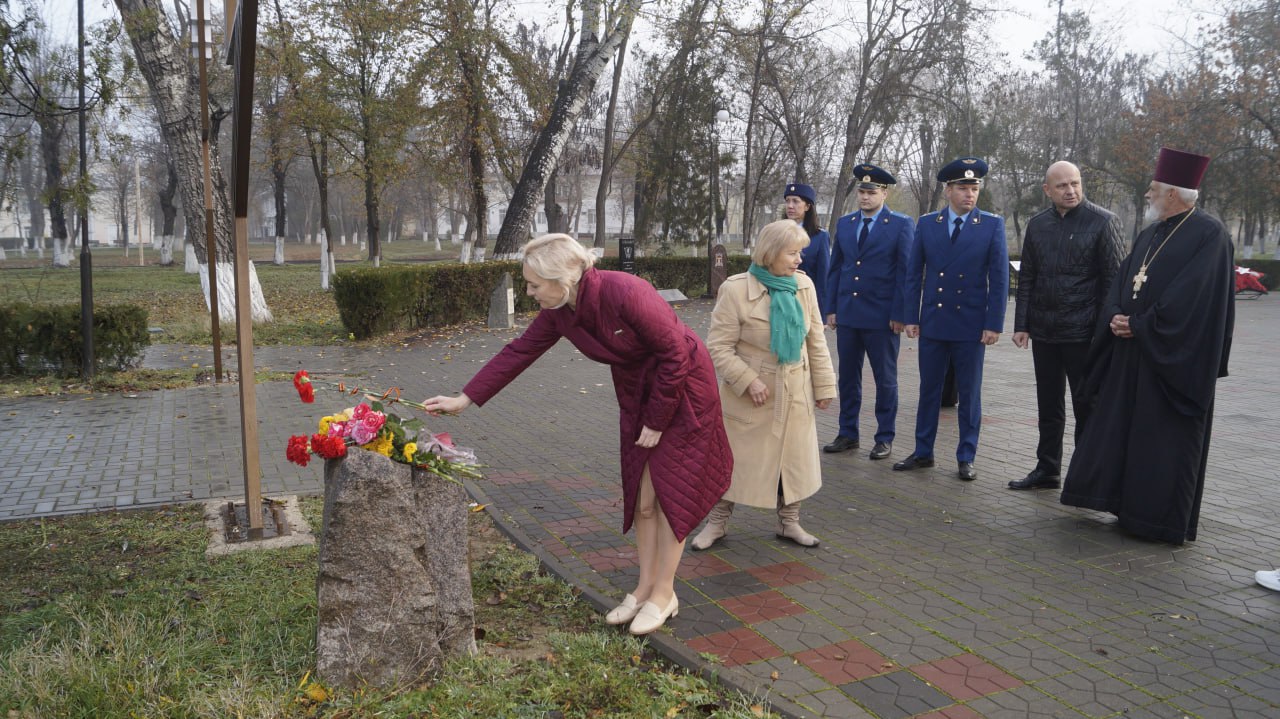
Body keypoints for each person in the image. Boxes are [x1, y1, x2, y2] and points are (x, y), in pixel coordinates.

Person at [422, 234, 732, 634]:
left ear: (562, 278)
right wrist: (464, 398)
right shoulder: (560, 310)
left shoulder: (627, 291)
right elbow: (519, 351)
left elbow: (675, 354)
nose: (529, 292)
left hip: (683, 390)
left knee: (669, 490)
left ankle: (664, 594)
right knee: (641, 497)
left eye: (534, 285)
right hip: (637, 392)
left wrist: (656, 421)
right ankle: (643, 589)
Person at [1060, 147, 1234, 545]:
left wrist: (1140, 325)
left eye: (1153, 189)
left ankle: (1156, 520)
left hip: (1172, 364)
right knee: (1125, 434)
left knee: (1161, 442)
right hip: (1132, 355)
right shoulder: (1152, 232)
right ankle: (1123, 505)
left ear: (1173, 194)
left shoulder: (1210, 236)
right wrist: (1117, 315)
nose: (1147, 195)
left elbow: (1195, 301)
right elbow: (1123, 281)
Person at [693, 220, 837, 550]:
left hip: (795, 391)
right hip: (750, 398)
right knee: (734, 463)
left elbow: (816, 341)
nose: (799, 259)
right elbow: (718, 346)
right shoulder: (735, 288)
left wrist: (825, 387)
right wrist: (747, 380)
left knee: (793, 462)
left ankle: (790, 523)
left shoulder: (804, 286)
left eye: (801, 252)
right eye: (792, 253)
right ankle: (716, 524)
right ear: (770, 253)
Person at [1008, 161, 1124, 490]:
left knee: (1087, 406)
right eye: (1062, 186)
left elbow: (1114, 283)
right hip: (1045, 332)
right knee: (1049, 406)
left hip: (1084, 334)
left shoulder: (1104, 222)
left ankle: (1087, 477)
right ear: (1048, 190)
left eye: (1075, 183)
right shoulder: (1038, 225)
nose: (1070, 190)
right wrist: (1022, 324)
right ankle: (1047, 469)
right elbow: (1027, 277)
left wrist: (1104, 332)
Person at [894, 156, 1008, 481]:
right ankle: (922, 452)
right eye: (962, 188)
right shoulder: (928, 223)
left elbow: (999, 279)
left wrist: (993, 323)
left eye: (974, 188)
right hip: (933, 320)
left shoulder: (990, 225)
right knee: (929, 389)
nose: (969, 194)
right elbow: (914, 273)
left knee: (969, 393)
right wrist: (911, 317)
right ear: (948, 190)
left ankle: (966, 456)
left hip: (971, 323)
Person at [822, 164, 913, 459]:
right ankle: (847, 433)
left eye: (871, 192)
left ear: (884, 193)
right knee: (847, 377)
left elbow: (905, 273)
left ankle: (884, 436)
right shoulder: (846, 223)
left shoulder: (900, 225)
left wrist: (901, 313)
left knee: (885, 378)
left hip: (882, 316)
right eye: (861, 191)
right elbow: (836, 269)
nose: (864, 197)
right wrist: (832, 308)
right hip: (849, 313)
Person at [784, 183, 832, 316]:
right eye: (787, 201)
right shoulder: (776, 233)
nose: (790, 206)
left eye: (795, 201)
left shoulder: (820, 236)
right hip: (778, 301)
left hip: (805, 302)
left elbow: (823, 278)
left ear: (807, 206)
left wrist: (821, 314)